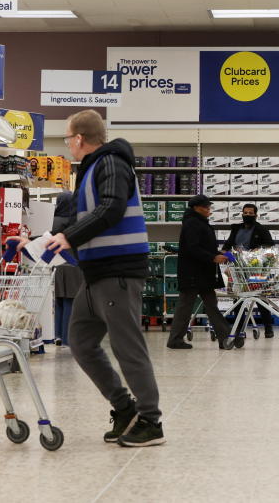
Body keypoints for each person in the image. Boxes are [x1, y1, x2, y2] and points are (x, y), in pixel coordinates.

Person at [14, 109, 164, 447]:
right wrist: (35, 243)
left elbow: (109, 208)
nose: (67, 145)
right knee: (80, 342)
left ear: (79, 139)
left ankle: (151, 421)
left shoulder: (112, 163)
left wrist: (70, 237)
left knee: (128, 348)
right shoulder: (92, 170)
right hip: (96, 275)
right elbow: (79, 222)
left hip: (119, 272)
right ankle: (124, 407)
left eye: (68, 138)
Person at [167, 195, 234, 349]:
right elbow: (192, 248)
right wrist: (213, 257)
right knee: (186, 306)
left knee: (211, 305)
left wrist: (219, 255)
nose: (208, 210)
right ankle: (175, 340)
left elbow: (203, 247)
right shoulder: (192, 223)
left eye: (209, 207)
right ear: (196, 208)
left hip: (203, 273)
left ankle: (225, 337)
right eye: (206, 207)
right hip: (192, 273)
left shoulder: (200, 222)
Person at [221, 203, 276, 338]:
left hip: (256, 269)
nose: (247, 215)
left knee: (260, 297)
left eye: (250, 213)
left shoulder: (262, 230)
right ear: (242, 214)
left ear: (256, 215)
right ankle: (239, 327)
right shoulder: (236, 228)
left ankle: (268, 328)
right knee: (238, 298)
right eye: (245, 213)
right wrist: (227, 259)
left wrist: (255, 252)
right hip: (238, 269)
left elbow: (269, 246)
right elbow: (227, 246)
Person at [50, 191, 84, 347]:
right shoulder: (74, 220)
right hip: (73, 265)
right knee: (70, 301)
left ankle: (56, 334)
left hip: (56, 265)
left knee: (58, 302)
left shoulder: (52, 220)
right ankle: (67, 338)